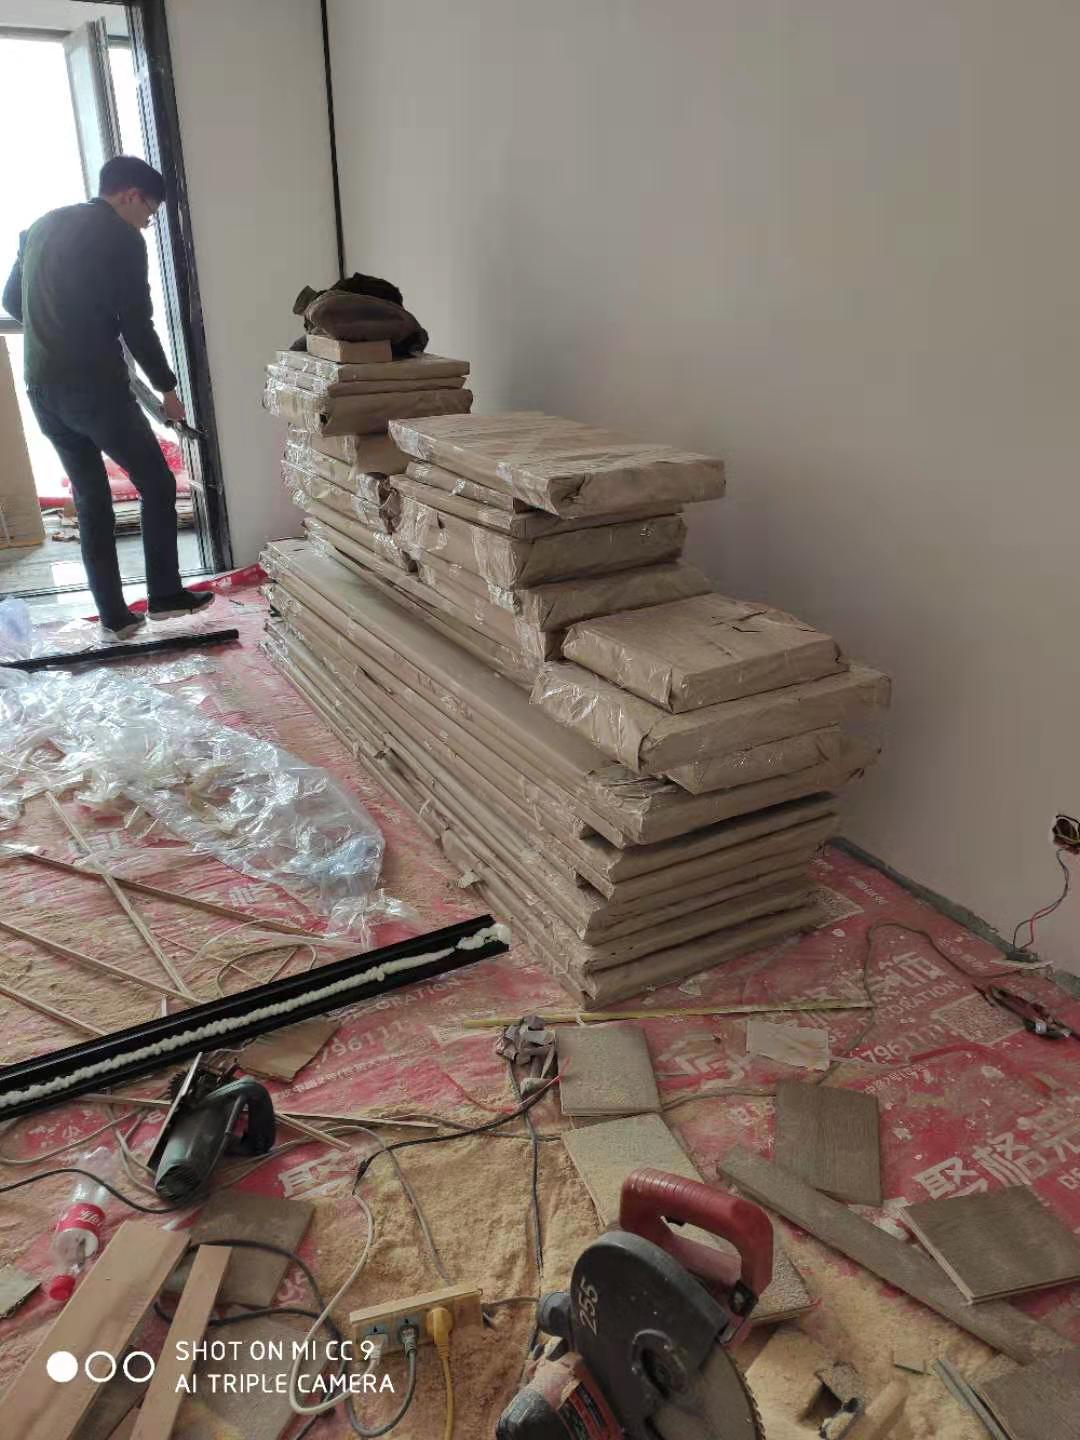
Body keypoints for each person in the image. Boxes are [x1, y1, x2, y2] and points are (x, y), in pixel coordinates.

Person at [2, 154, 214, 639]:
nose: (146, 223)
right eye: (149, 212)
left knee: (91, 498)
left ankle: (115, 618)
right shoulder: (121, 236)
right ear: (130, 195)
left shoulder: (39, 227)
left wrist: (60, 320)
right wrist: (167, 389)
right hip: (95, 388)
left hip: (43, 389)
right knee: (157, 483)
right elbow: (137, 324)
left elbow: (12, 302)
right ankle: (165, 596)